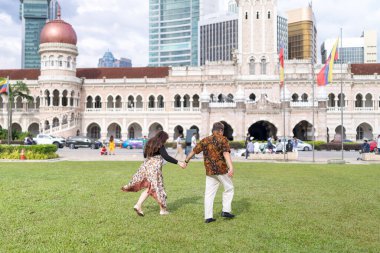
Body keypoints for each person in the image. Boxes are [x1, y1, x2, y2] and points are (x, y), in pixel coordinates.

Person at [121, 131, 186, 216]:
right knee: (158, 188)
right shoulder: (160, 144)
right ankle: (162, 210)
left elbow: (145, 155)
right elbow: (166, 157)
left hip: (146, 166)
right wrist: (179, 162)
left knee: (150, 188)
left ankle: (138, 205)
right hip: (154, 169)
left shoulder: (149, 142)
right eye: (165, 139)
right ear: (163, 138)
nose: (165, 141)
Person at [184, 122, 234, 223]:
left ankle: (208, 217)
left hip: (209, 171)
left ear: (213, 130)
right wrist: (231, 167)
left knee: (209, 194)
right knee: (229, 189)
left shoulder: (205, 140)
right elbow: (226, 153)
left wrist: (186, 161)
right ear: (221, 130)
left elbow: (194, 151)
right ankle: (226, 211)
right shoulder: (223, 139)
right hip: (221, 169)